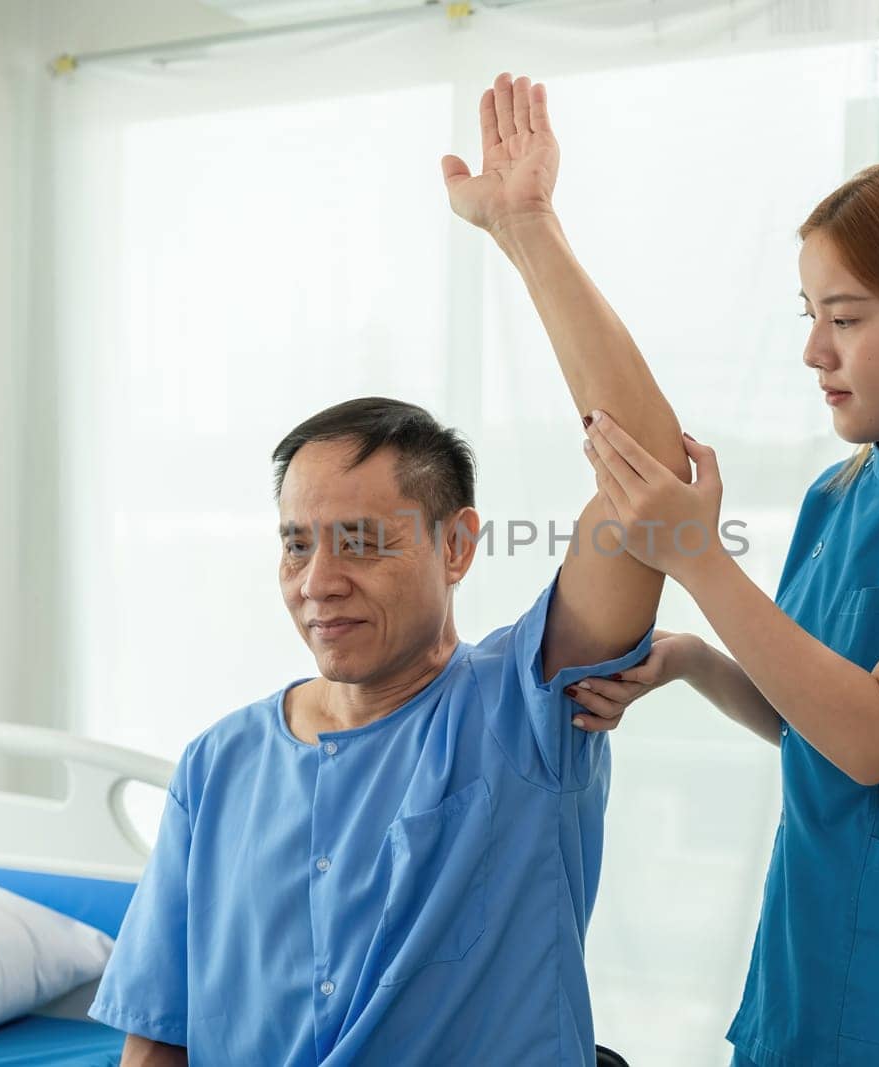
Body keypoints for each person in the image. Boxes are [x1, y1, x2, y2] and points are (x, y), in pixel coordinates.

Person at [450, 74, 879, 1067]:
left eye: (848, 317)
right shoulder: (840, 491)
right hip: (805, 961)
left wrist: (698, 558)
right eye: (807, 314)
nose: (815, 351)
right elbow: (808, 713)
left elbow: (872, 739)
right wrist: (692, 658)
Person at [87, 73, 696, 1066]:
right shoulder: (218, 764)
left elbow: (654, 478)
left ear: (455, 545)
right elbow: (159, 1040)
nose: (318, 578)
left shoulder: (525, 708)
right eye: (296, 542)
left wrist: (526, 227)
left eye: (362, 541)